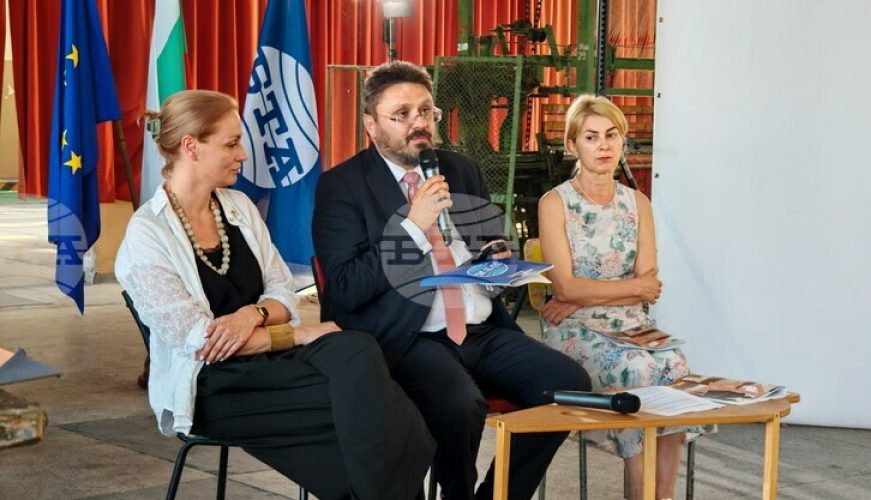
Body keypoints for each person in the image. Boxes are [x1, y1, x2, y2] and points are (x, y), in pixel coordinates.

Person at [115, 90, 434, 500]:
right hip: (213, 386)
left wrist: (252, 314)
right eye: (231, 144)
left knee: (356, 350)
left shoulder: (238, 207)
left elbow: (283, 290)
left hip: (269, 360)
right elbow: (201, 341)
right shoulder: (148, 233)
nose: (243, 154)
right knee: (378, 407)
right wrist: (297, 334)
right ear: (191, 147)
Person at [312, 61, 591, 500]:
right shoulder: (342, 186)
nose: (418, 123)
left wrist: (497, 262)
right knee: (461, 405)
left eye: (426, 111)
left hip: (480, 328)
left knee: (569, 385)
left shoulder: (461, 170)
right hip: (409, 339)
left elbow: (486, 245)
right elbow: (346, 287)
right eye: (402, 114)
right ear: (371, 125)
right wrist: (413, 228)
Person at [538, 94, 709, 500]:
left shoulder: (638, 203)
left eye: (611, 135)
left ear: (622, 141)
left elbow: (649, 285)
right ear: (573, 145)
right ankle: (638, 493)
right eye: (591, 137)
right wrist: (600, 292)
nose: (603, 145)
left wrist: (584, 293)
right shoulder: (555, 203)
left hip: (634, 326)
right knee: (637, 370)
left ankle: (661, 496)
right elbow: (565, 289)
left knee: (677, 367)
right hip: (574, 329)